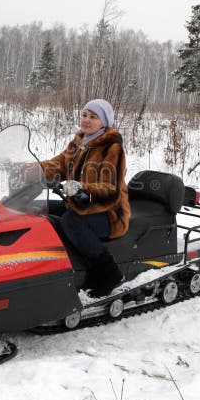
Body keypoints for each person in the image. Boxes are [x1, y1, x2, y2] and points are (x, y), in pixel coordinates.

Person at [40, 99, 130, 297]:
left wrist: (83, 189)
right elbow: (59, 165)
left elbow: (110, 188)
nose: (87, 120)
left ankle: (109, 272)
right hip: (79, 203)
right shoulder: (79, 142)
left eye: (93, 117)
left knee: (71, 221)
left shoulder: (112, 148)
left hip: (109, 212)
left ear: (104, 122)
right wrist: (30, 169)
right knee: (39, 208)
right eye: (85, 115)